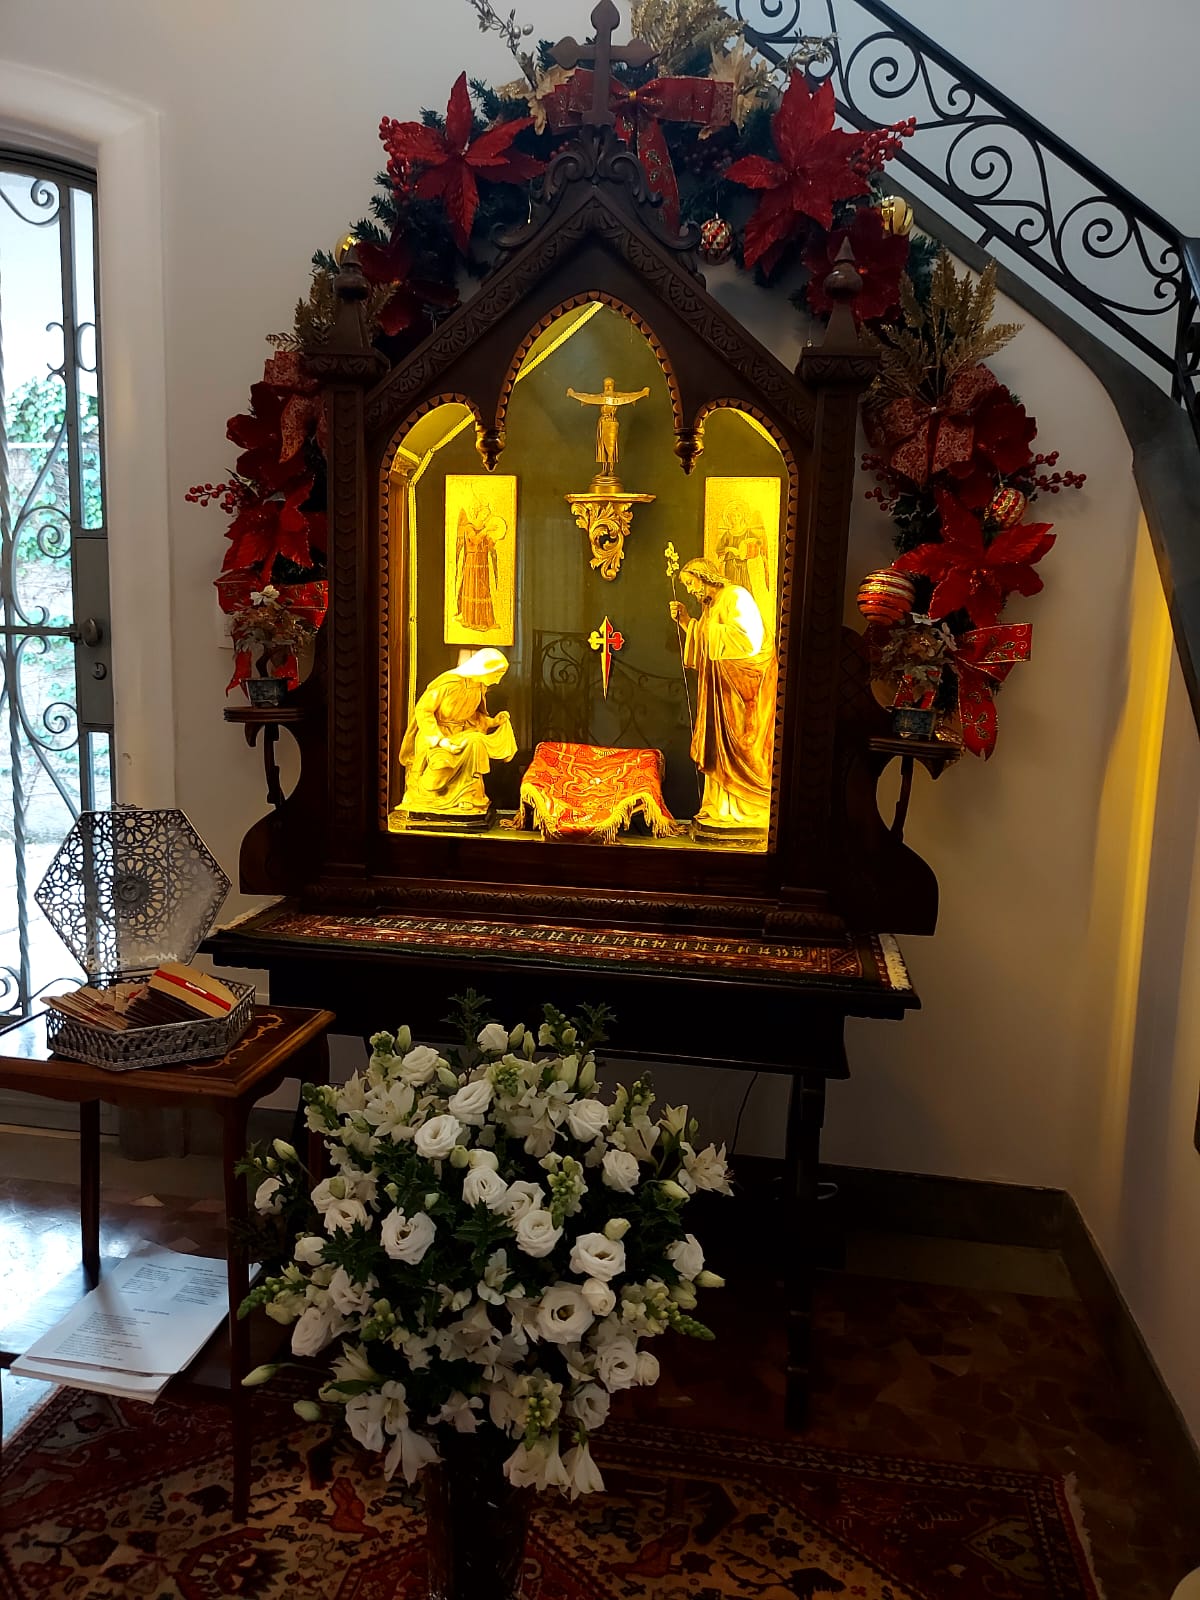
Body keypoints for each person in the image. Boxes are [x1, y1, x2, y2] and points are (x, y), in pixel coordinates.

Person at [669, 557, 777, 832]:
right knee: (720, 750)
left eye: (691, 583)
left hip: (743, 689)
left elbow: (749, 641)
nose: (691, 590)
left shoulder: (735, 596)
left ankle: (749, 809)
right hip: (722, 691)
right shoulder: (712, 606)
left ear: (705, 577)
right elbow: (706, 643)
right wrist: (687, 622)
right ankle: (722, 808)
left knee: (743, 746)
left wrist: (701, 628)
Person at [398, 648, 517, 817]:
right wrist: (440, 740)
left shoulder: (479, 687)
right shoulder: (448, 683)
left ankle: (468, 795)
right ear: (484, 669)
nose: (497, 681)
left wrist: (493, 722)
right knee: (442, 766)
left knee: (476, 742)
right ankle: (428, 792)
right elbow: (423, 710)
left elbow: (473, 716)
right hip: (436, 735)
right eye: (496, 675)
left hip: (462, 732)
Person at [455, 492, 506, 632]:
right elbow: (475, 540)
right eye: (484, 514)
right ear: (477, 513)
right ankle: (473, 620)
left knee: (484, 590)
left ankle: (486, 621)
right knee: (474, 590)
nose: (485, 517)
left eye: (487, 515)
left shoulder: (484, 529)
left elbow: (488, 545)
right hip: (473, 563)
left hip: (483, 563)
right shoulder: (469, 527)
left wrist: (494, 539)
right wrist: (486, 530)